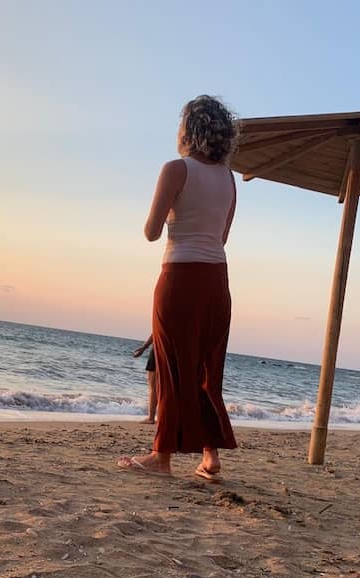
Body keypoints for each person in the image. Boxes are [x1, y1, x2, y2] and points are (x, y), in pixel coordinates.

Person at [118, 95, 238, 480]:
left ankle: (162, 457)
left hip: (180, 275)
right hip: (217, 280)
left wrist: (174, 211)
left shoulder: (176, 169)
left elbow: (151, 232)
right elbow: (221, 236)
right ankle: (210, 456)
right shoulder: (228, 178)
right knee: (206, 368)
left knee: (172, 366)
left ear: (190, 130)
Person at [132, 335, 158, 424]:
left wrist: (144, 347)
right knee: (165, 386)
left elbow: (156, 331)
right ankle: (164, 416)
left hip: (158, 349)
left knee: (153, 386)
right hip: (173, 351)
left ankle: (151, 418)